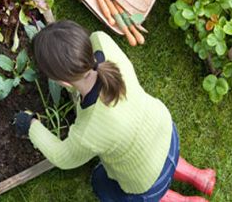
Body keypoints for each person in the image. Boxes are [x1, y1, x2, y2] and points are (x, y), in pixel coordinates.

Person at [13, 20, 216, 202]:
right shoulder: (103, 42)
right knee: (156, 155)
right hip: (166, 133)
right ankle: (198, 176)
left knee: (101, 183)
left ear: (63, 82)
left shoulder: (88, 131)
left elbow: (63, 157)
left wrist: (31, 125)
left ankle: (178, 200)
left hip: (145, 180)